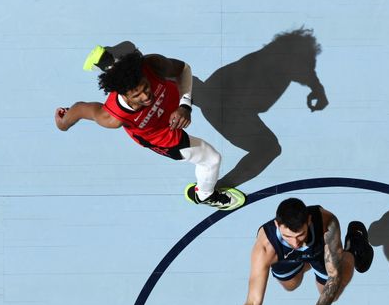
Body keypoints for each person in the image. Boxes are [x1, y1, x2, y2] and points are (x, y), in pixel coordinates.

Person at [54, 49, 245, 210]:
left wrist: (185, 105)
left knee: (142, 59)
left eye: (146, 87)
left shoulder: (152, 64)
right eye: (137, 95)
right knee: (212, 159)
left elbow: (183, 69)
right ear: (123, 94)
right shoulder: (112, 117)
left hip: (175, 104)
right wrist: (63, 123)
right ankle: (204, 195)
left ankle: (109, 61)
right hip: (161, 135)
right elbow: (80, 108)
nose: (146, 96)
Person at [235, 198, 374, 305]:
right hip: (285, 257)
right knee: (290, 285)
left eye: (300, 235)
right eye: (288, 236)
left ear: (308, 221)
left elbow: (334, 277)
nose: (295, 243)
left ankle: (353, 250)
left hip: (319, 252)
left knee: (331, 294)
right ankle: (305, 262)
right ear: (277, 225)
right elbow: (252, 303)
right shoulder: (266, 247)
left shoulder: (327, 225)